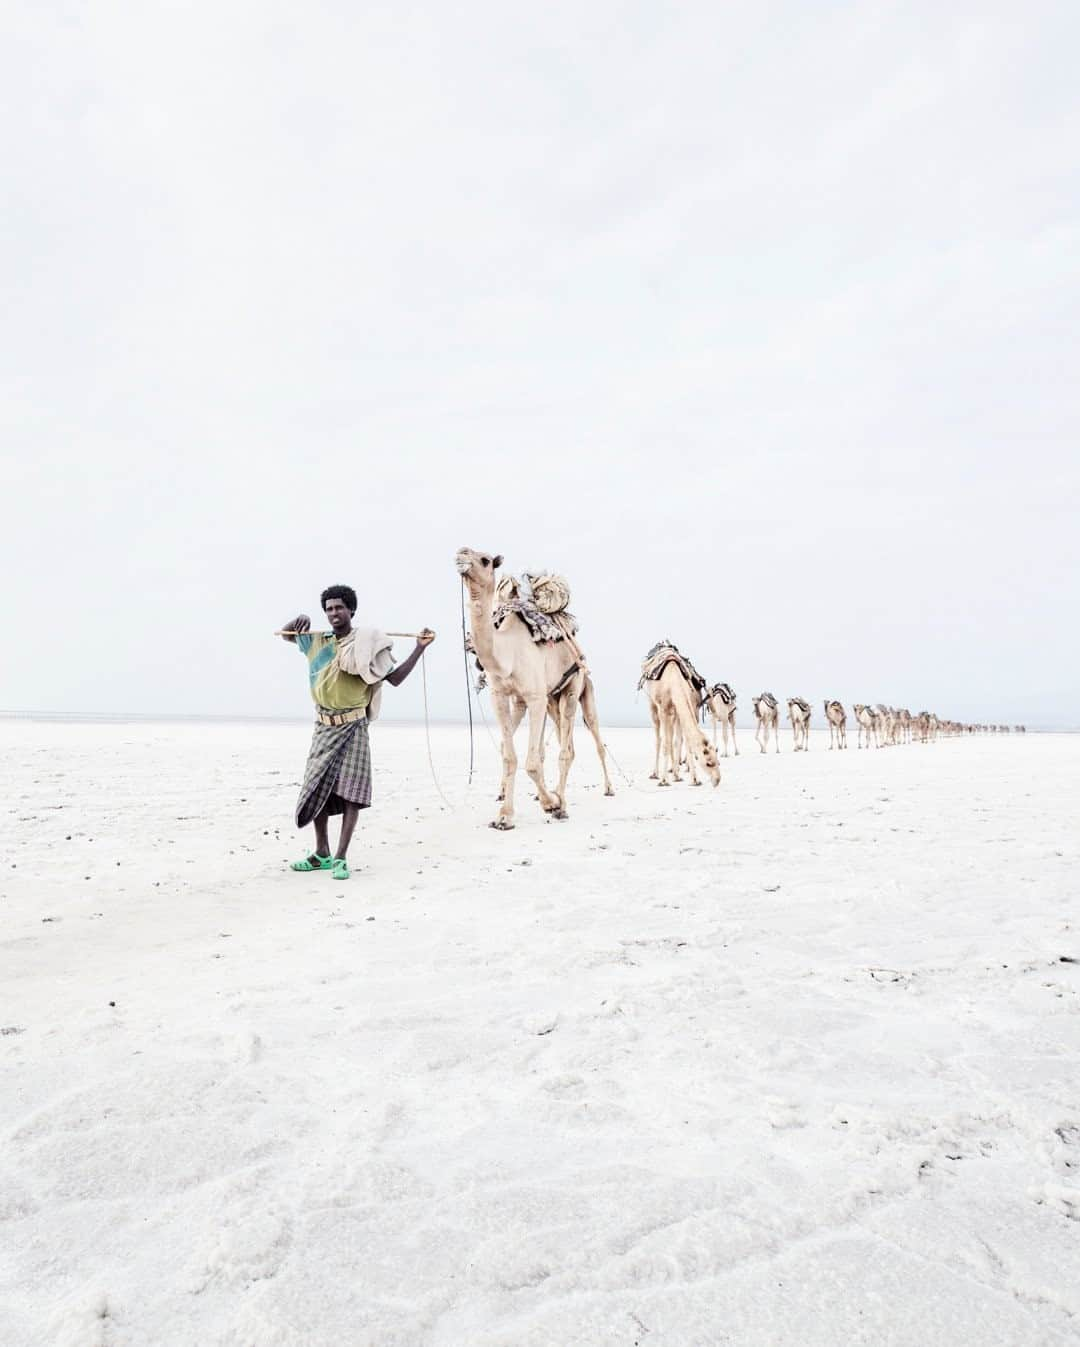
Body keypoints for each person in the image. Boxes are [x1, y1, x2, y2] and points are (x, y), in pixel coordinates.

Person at [281, 585, 435, 880]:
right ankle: (321, 853)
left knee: (352, 792)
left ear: (351, 610)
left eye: (339, 607)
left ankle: (340, 857)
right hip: (323, 726)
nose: (333, 613)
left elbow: (396, 679)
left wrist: (419, 647)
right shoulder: (316, 641)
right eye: (328, 609)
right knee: (317, 789)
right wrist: (297, 619)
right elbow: (286, 635)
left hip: (353, 726)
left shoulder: (368, 644)